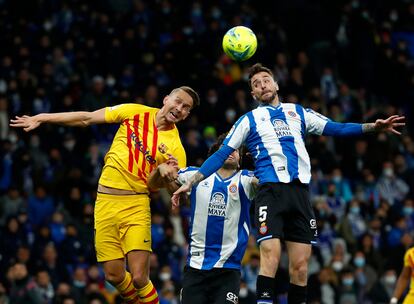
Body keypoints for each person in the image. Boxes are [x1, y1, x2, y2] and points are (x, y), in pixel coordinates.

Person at [172, 63, 405, 304]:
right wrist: (194, 181)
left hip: (300, 194)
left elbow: (337, 128)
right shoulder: (248, 120)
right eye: (255, 84)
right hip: (270, 191)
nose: (262, 85)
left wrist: (373, 127)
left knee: (301, 267)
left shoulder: (299, 112)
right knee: (270, 256)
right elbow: (222, 154)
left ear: (276, 84)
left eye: (265, 80)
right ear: (253, 94)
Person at [10, 86, 200, 304]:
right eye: (178, 101)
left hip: (136, 204)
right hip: (104, 202)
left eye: (186, 108)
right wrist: (43, 118)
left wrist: (165, 175)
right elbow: (87, 118)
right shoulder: (134, 112)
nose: (179, 108)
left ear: (187, 115)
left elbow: (173, 191)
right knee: (114, 275)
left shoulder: (176, 148)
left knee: (139, 277)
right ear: (166, 99)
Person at [148, 133, 258, 304]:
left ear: (240, 159)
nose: (232, 152)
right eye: (227, 148)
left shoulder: (246, 179)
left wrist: (262, 157)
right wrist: (160, 170)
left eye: (236, 150)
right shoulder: (194, 176)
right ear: (216, 154)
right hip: (196, 268)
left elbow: (266, 182)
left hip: (228, 270)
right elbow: (153, 184)